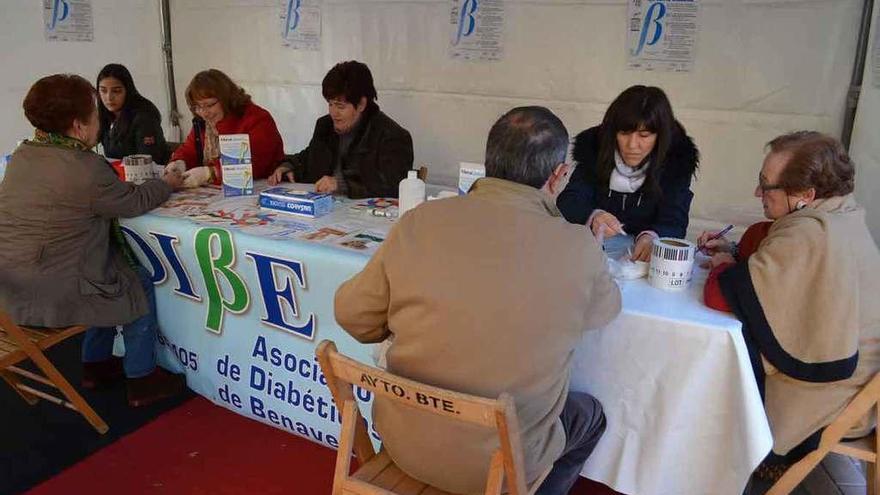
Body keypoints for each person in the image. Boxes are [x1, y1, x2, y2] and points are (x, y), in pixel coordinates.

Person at [334, 107, 621, 494]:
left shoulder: (421, 221)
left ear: (488, 162)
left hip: (405, 444)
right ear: (558, 175)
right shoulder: (578, 246)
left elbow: (353, 316)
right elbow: (605, 311)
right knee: (590, 416)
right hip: (501, 466)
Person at [700, 132, 880, 477]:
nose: (758, 194)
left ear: (805, 196)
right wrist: (737, 255)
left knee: (720, 362)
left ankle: (711, 465)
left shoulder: (810, 233)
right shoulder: (844, 214)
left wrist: (726, 266)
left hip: (833, 401)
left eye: (766, 185)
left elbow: (721, 295)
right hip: (860, 388)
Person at [0, 74, 186, 407]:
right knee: (134, 279)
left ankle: (96, 364)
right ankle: (142, 378)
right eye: (94, 112)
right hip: (51, 287)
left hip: (12, 283)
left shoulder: (24, 154)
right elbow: (132, 202)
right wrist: (169, 183)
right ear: (78, 125)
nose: (99, 118)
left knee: (107, 266)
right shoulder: (85, 168)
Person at [557, 85, 699, 261]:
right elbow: (569, 200)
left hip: (641, 259)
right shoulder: (595, 151)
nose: (632, 145)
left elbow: (675, 220)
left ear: (660, 136)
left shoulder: (675, 162)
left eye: (644, 135)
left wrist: (653, 236)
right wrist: (593, 216)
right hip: (593, 252)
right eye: (624, 133)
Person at [268, 61, 413, 198]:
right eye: (330, 104)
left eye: (340, 106)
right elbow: (310, 158)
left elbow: (393, 183)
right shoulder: (325, 126)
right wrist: (288, 166)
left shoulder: (392, 136)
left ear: (361, 104)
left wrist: (341, 184)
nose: (333, 113)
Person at [167, 69, 284, 188]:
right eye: (197, 107)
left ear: (226, 98)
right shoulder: (203, 122)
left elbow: (255, 164)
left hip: (262, 188)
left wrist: (210, 173)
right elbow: (189, 149)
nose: (204, 113)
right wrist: (178, 163)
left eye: (210, 105)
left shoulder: (257, 118)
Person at [97, 63, 170, 164]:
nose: (109, 97)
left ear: (128, 90)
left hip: (150, 174)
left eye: (116, 91)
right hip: (119, 175)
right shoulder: (105, 115)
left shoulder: (144, 116)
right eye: (103, 91)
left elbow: (149, 159)